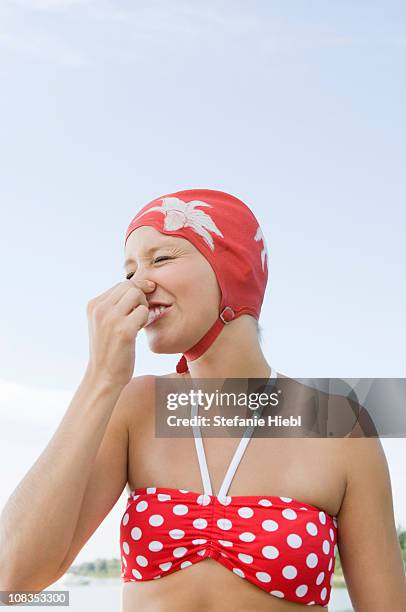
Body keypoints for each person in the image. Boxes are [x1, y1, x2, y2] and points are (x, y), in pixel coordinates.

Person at [0, 189, 405, 612]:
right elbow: (12, 578)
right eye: (129, 271)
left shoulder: (339, 425)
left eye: (161, 259)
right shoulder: (135, 407)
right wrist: (100, 379)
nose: (139, 284)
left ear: (234, 270)